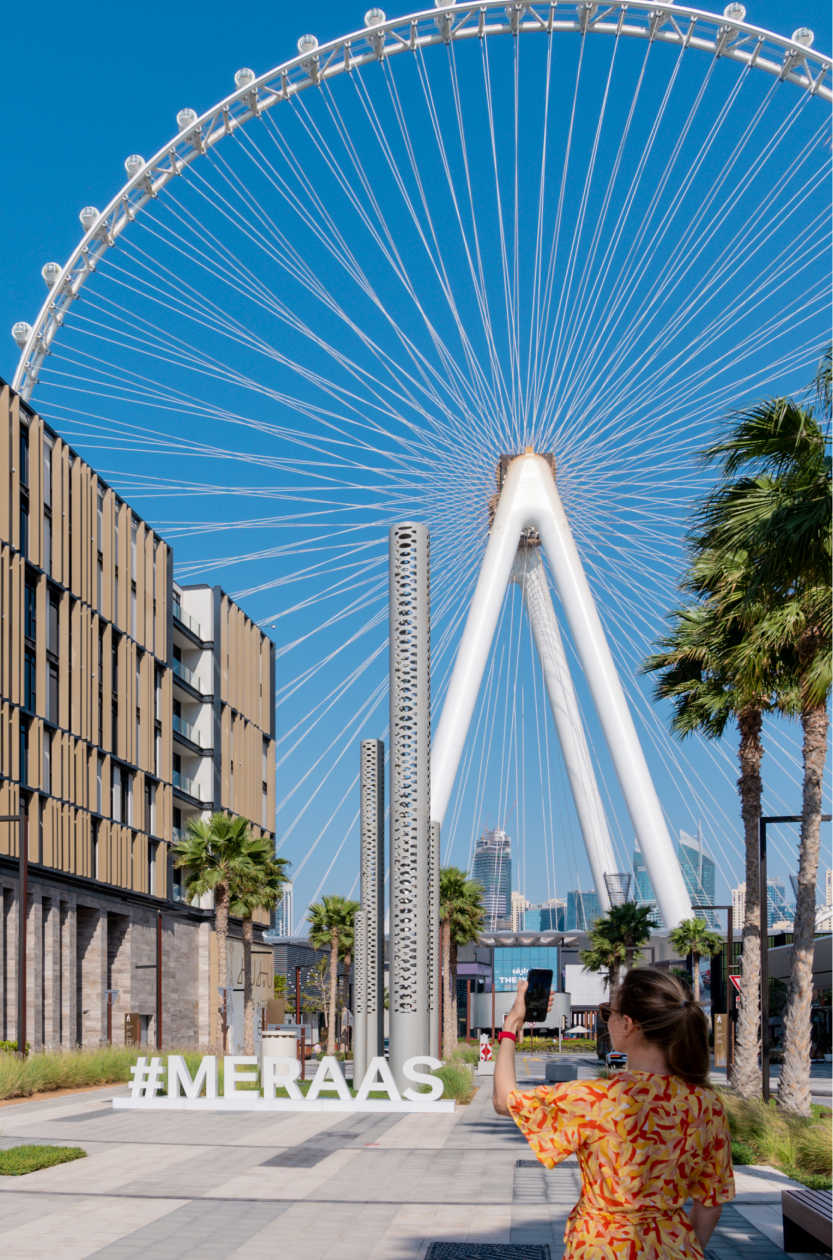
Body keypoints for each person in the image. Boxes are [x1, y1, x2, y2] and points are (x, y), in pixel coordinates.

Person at [493, 966, 734, 1259]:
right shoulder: (707, 1105)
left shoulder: (595, 1099)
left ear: (628, 1024)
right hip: (675, 1246)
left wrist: (511, 1025)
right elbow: (711, 1206)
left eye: (609, 1012)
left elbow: (504, 1101)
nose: (607, 1019)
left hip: (602, 1247)